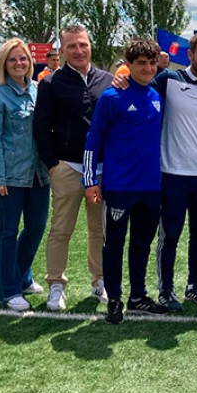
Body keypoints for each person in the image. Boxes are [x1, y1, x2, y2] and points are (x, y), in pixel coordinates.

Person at [83, 39, 167, 324]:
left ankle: (138, 296)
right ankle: (115, 299)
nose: (147, 68)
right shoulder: (111, 97)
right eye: (141, 63)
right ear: (128, 65)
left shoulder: (157, 95)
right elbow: (93, 139)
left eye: (152, 62)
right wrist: (89, 179)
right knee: (114, 245)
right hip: (119, 187)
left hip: (151, 187)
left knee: (142, 244)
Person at [33, 24, 113, 311]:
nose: (78, 50)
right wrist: (52, 164)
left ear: (90, 45)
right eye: (71, 46)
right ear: (62, 50)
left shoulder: (109, 80)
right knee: (60, 229)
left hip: (101, 170)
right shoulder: (51, 83)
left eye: (83, 44)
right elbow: (41, 125)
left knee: (99, 230)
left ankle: (100, 281)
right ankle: (56, 284)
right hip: (67, 166)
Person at [152, 33, 197, 309]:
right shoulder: (168, 80)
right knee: (170, 235)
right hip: (172, 174)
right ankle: (165, 290)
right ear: (190, 55)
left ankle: (194, 285)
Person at [0, 38, 50, 312]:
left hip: (38, 175)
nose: (19, 63)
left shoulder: (37, 90)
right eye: (13, 59)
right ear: (3, 64)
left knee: (35, 228)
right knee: (8, 231)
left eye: (23, 58)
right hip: (9, 177)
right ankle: (8, 291)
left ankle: (22, 276)